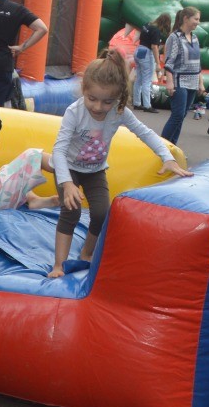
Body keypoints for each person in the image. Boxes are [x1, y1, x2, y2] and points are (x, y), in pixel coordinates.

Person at [48, 51, 190, 278]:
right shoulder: (74, 112)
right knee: (71, 212)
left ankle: (87, 253)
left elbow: (145, 133)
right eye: (92, 98)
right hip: (69, 169)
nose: (97, 107)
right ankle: (58, 265)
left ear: (118, 98)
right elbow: (60, 149)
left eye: (107, 101)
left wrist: (167, 157)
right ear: (84, 89)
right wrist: (66, 184)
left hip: (94, 170)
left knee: (102, 213)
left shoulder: (119, 112)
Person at [159, 7, 203, 144]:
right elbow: (169, 61)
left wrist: (200, 83)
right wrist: (169, 82)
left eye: (198, 19)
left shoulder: (195, 38)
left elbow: (198, 62)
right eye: (195, 19)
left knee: (182, 115)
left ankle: (173, 145)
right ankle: (162, 145)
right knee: (177, 115)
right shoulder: (175, 37)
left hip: (193, 81)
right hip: (180, 80)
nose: (198, 22)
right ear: (185, 19)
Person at [133, 14, 168, 111]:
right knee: (146, 80)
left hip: (139, 50)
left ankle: (136, 102)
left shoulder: (147, 24)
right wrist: (158, 63)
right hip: (147, 53)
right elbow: (154, 47)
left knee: (139, 78)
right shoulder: (156, 30)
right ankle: (147, 105)